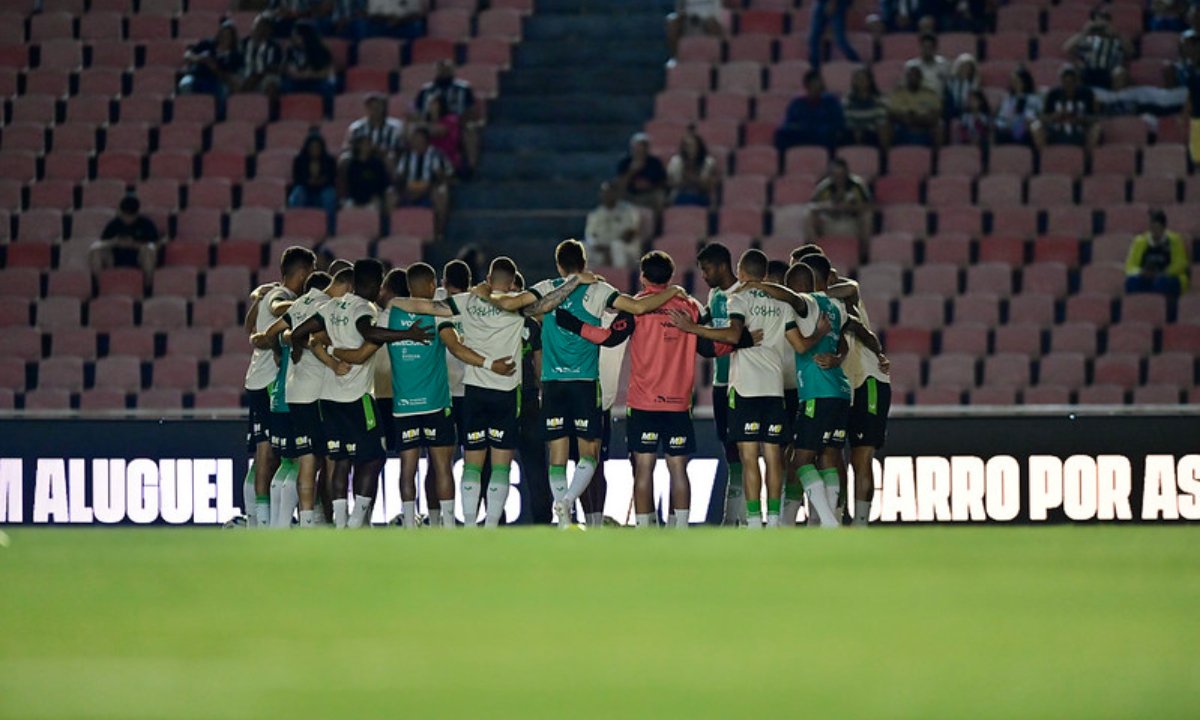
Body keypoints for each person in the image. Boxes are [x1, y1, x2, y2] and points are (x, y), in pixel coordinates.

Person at [334, 262, 516, 529]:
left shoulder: (390, 314)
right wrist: (487, 360)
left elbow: (365, 351)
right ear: (432, 285)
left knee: (408, 468)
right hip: (436, 402)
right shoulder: (438, 314)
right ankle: (447, 526)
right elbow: (455, 347)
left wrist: (334, 353)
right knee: (441, 465)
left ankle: (409, 524)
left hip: (404, 405)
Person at [521, 240, 683, 528]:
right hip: (585, 383)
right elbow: (637, 306)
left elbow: (526, 308)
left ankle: (564, 521)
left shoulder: (546, 289)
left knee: (556, 457)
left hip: (552, 382)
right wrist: (672, 290)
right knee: (590, 454)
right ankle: (568, 500)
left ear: (559, 265)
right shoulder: (600, 290)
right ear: (584, 263)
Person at [556, 251, 703, 529]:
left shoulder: (637, 308)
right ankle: (681, 531)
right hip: (678, 402)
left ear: (643, 276)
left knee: (644, 469)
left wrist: (575, 325)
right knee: (678, 469)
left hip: (644, 402)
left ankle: (645, 530)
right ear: (670, 277)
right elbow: (710, 346)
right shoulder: (690, 307)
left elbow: (609, 338)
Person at [670, 250, 813, 528]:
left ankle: (752, 519)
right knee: (773, 457)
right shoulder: (781, 304)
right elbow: (800, 344)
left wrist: (692, 328)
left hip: (744, 387)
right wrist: (819, 334)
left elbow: (733, 335)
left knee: (748, 458)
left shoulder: (738, 300)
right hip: (774, 388)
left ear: (742, 271)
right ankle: (773, 521)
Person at [447, 257, 594, 527]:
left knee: (478, 461)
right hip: (521, 397)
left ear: (490, 280)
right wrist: (543, 393)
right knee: (530, 462)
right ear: (514, 286)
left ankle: (479, 523)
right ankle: (540, 519)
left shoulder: (471, 303)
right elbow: (539, 359)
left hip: (481, 390)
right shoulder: (525, 318)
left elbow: (436, 311)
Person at [288, 259, 432, 529]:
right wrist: (406, 334)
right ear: (377, 285)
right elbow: (369, 331)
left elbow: (299, 333)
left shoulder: (330, 306)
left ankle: (341, 523)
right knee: (375, 456)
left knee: (341, 459)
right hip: (358, 398)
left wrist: (300, 349)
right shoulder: (363, 308)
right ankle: (356, 521)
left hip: (328, 397)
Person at [739, 258, 847, 528]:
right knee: (827, 455)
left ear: (796, 287)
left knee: (800, 459)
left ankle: (827, 520)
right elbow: (846, 335)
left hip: (816, 391)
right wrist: (839, 355)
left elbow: (793, 300)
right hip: (840, 391)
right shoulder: (837, 307)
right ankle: (828, 517)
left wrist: (757, 285)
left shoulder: (808, 303)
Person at [250, 269, 352, 528]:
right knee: (326, 461)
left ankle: (297, 523)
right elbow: (316, 341)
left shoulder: (300, 303)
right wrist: (330, 358)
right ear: (346, 286)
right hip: (316, 394)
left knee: (299, 460)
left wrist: (281, 350)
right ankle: (326, 522)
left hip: (290, 392)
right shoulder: (327, 307)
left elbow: (272, 332)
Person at [240, 246, 316, 527]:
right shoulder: (284, 297)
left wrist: (258, 300)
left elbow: (249, 328)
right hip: (272, 382)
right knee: (273, 456)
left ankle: (257, 520)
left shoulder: (270, 293)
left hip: (256, 379)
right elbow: (270, 325)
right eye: (313, 269)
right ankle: (265, 523)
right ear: (303, 271)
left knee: (266, 454)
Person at [693, 242, 744, 524]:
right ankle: (732, 516)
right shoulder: (714, 295)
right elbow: (703, 320)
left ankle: (747, 517)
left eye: (706, 269)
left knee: (748, 449)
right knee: (730, 450)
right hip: (720, 383)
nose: (703, 275)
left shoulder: (745, 295)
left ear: (723, 266)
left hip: (744, 384)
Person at [413, 61, 480, 176]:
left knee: (470, 129)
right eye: (441, 68)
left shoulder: (464, 88)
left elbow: (471, 111)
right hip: (429, 123)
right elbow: (417, 111)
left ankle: (470, 166)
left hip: (456, 124)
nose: (444, 71)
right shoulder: (425, 90)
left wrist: (458, 121)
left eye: (447, 68)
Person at [393, 127, 453, 239]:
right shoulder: (406, 156)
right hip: (409, 188)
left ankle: (438, 232)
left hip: (430, 189)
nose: (415, 142)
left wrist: (439, 176)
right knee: (390, 195)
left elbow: (449, 174)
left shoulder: (437, 155)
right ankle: (392, 230)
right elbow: (399, 176)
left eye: (418, 139)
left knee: (441, 194)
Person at [89, 196, 161, 285]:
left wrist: (134, 244)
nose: (127, 219)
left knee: (148, 253)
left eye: (130, 216)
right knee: (96, 252)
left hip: (138, 259)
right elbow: (100, 243)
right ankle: (100, 286)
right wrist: (115, 242)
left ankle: (147, 288)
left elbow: (155, 245)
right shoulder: (114, 224)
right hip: (115, 258)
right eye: (125, 215)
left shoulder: (146, 224)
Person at [1032, 65, 1099, 155]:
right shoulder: (1053, 94)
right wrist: (1055, 116)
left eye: (1071, 82)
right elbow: (1043, 117)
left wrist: (1081, 118)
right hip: (1056, 131)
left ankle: (1088, 159)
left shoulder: (1086, 94)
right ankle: (1044, 157)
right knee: (1035, 126)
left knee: (1096, 129)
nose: (1068, 85)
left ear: (1076, 82)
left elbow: (1095, 118)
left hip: (1079, 132)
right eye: (1065, 82)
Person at [178, 21, 242, 113]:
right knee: (185, 84)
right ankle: (187, 113)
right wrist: (201, 59)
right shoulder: (207, 44)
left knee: (223, 91)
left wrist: (215, 68)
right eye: (222, 34)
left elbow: (230, 76)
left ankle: (218, 118)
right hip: (197, 75)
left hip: (217, 80)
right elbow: (188, 55)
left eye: (228, 35)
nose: (224, 37)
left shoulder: (235, 56)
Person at [775, 70, 845, 153]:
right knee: (781, 134)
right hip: (803, 135)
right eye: (812, 84)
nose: (815, 87)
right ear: (806, 86)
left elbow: (839, 124)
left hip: (822, 136)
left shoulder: (832, 102)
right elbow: (789, 123)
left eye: (817, 83)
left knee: (833, 135)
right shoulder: (797, 103)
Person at [1125, 209, 1190, 297]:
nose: (1154, 232)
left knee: (1161, 283)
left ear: (1164, 228)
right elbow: (1130, 266)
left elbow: (1181, 264)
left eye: (1157, 228)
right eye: (1151, 228)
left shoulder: (1175, 240)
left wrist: (1163, 273)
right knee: (1131, 282)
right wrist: (1141, 272)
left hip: (1167, 277)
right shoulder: (1139, 241)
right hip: (1146, 277)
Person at [805, 158, 873, 243]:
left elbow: (869, 205)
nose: (839, 179)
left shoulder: (857, 185)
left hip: (851, 220)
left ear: (847, 173)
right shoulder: (825, 186)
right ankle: (814, 250)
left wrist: (850, 207)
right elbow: (811, 205)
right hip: (830, 220)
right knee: (808, 215)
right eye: (835, 176)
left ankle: (864, 253)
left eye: (841, 175)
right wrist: (826, 206)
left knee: (867, 215)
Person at [1064, 7, 1132, 90]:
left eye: (1105, 19)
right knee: (1069, 68)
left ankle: (1115, 99)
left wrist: (1117, 35)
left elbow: (1131, 52)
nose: (1101, 23)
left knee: (1120, 72)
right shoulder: (1088, 38)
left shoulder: (1117, 40)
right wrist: (1084, 32)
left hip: (1109, 73)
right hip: (1088, 71)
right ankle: (1080, 96)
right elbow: (1067, 48)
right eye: (1099, 19)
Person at [584, 181, 642, 269]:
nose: (608, 195)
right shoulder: (595, 214)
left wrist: (609, 249)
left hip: (625, 248)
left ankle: (620, 278)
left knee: (617, 246)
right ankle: (588, 280)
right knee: (583, 246)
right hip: (601, 249)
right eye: (605, 193)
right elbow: (590, 235)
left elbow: (630, 234)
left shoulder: (628, 210)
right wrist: (597, 246)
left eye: (610, 192)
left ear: (616, 194)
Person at [281, 21, 336, 114]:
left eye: (296, 35)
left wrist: (311, 74)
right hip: (297, 81)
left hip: (316, 81)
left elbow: (327, 72)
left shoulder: (321, 51)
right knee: (286, 87)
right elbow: (288, 69)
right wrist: (299, 75)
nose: (293, 37)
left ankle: (327, 115)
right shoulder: (290, 51)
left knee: (327, 89)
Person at [341, 93, 406, 172]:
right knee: (344, 159)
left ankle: (392, 183)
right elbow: (347, 146)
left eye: (377, 107)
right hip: (361, 157)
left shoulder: (395, 127)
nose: (374, 110)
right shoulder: (356, 128)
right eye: (371, 107)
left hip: (385, 156)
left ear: (383, 108)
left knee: (390, 158)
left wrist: (383, 151)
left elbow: (401, 147)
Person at [289, 133, 338, 233]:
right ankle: (295, 226)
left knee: (329, 195)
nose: (315, 150)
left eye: (317, 147)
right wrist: (309, 181)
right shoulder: (299, 160)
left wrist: (320, 181)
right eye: (312, 147)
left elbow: (331, 179)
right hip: (305, 189)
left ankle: (329, 229)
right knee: (297, 194)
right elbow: (297, 180)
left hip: (323, 189)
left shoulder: (329, 161)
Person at [888, 62, 943, 147]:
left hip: (925, 125)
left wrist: (917, 120)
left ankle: (935, 157)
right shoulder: (898, 93)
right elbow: (892, 114)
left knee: (939, 126)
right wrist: (906, 119)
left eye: (916, 76)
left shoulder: (930, 94)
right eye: (910, 76)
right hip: (902, 125)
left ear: (921, 78)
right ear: (906, 77)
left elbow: (936, 115)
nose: (913, 78)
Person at [667, 127, 720, 207]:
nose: (689, 149)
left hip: (701, 196)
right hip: (680, 195)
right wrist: (682, 183)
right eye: (686, 146)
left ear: (698, 146)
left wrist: (695, 180)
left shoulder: (709, 162)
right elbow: (669, 182)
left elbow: (712, 184)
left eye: (692, 145)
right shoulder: (675, 161)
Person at [617, 133, 668, 214]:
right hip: (631, 194)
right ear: (632, 148)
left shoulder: (655, 162)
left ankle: (658, 224)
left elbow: (664, 181)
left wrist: (650, 185)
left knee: (659, 197)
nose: (640, 149)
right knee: (617, 194)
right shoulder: (624, 163)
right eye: (638, 146)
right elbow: (620, 183)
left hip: (649, 194)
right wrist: (631, 171)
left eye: (643, 146)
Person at [843, 67, 891, 149]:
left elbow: (880, 122)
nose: (860, 82)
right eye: (857, 79)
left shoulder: (879, 101)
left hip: (872, 133)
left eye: (863, 79)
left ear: (870, 81)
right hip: (853, 132)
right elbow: (848, 121)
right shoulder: (848, 101)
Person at [993, 66, 1041, 146]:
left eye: (1017, 80)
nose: (1014, 83)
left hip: (1027, 130)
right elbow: (1001, 118)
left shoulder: (1034, 99)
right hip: (1008, 129)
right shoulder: (1007, 100)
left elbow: (1037, 116)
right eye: (1012, 81)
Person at [239, 14, 284, 98]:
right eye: (258, 26)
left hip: (265, 76)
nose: (260, 30)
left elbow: (274, 67)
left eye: (264, 27)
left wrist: (256, 77)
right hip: (244, 74)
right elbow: (236, 62)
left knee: (271, 86)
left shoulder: (274, 47)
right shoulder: (243, 44)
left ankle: (269, 110)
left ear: (269, 30)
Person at [342, 135, 391, 210]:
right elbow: (351, 185)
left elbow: (384, 183)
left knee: (375, 207)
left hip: (374, 198)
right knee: (347, 207)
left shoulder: (377, 163)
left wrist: (378, 196)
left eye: (369, 144)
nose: (367, 146)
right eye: (364, 144)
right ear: (358, 146)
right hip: (356, 198)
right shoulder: (352, 165)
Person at [666, 0, 730, 58]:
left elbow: (719, 13)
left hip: (711, 21)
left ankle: (716, 57)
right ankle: (678, 57)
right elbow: (679, 11)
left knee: (713, 23)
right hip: (689, 21)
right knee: (671, 22)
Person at [807, 0, 861, 68]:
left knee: (840, 39)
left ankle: (858, 64)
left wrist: (832, 2)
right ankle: (815, 69)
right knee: (813, 38)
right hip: (820, 2)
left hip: (836, 3)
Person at [421, 95, 463, 172]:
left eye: (434, 103)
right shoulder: (426, 121)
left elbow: (439, 132)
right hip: (428, 159)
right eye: (429, 103)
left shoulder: (450, 119)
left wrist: (420, 126)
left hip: (447, 158)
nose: (430, 106)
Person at [910, 32, 949, 97]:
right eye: (924, 47)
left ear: (935, 49)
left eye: (929, 47)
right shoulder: (912, 65)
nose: (926, 51)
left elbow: (948, 87)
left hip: (938, 101)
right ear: (920, 47)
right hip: (916, 101)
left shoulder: (943, 64)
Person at [944, 53, 979, 120]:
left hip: (967, 111)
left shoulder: (973, 83)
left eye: (968, 67)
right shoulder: (951, 81)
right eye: (963, 66)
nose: (965, 69)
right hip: (952, 111)